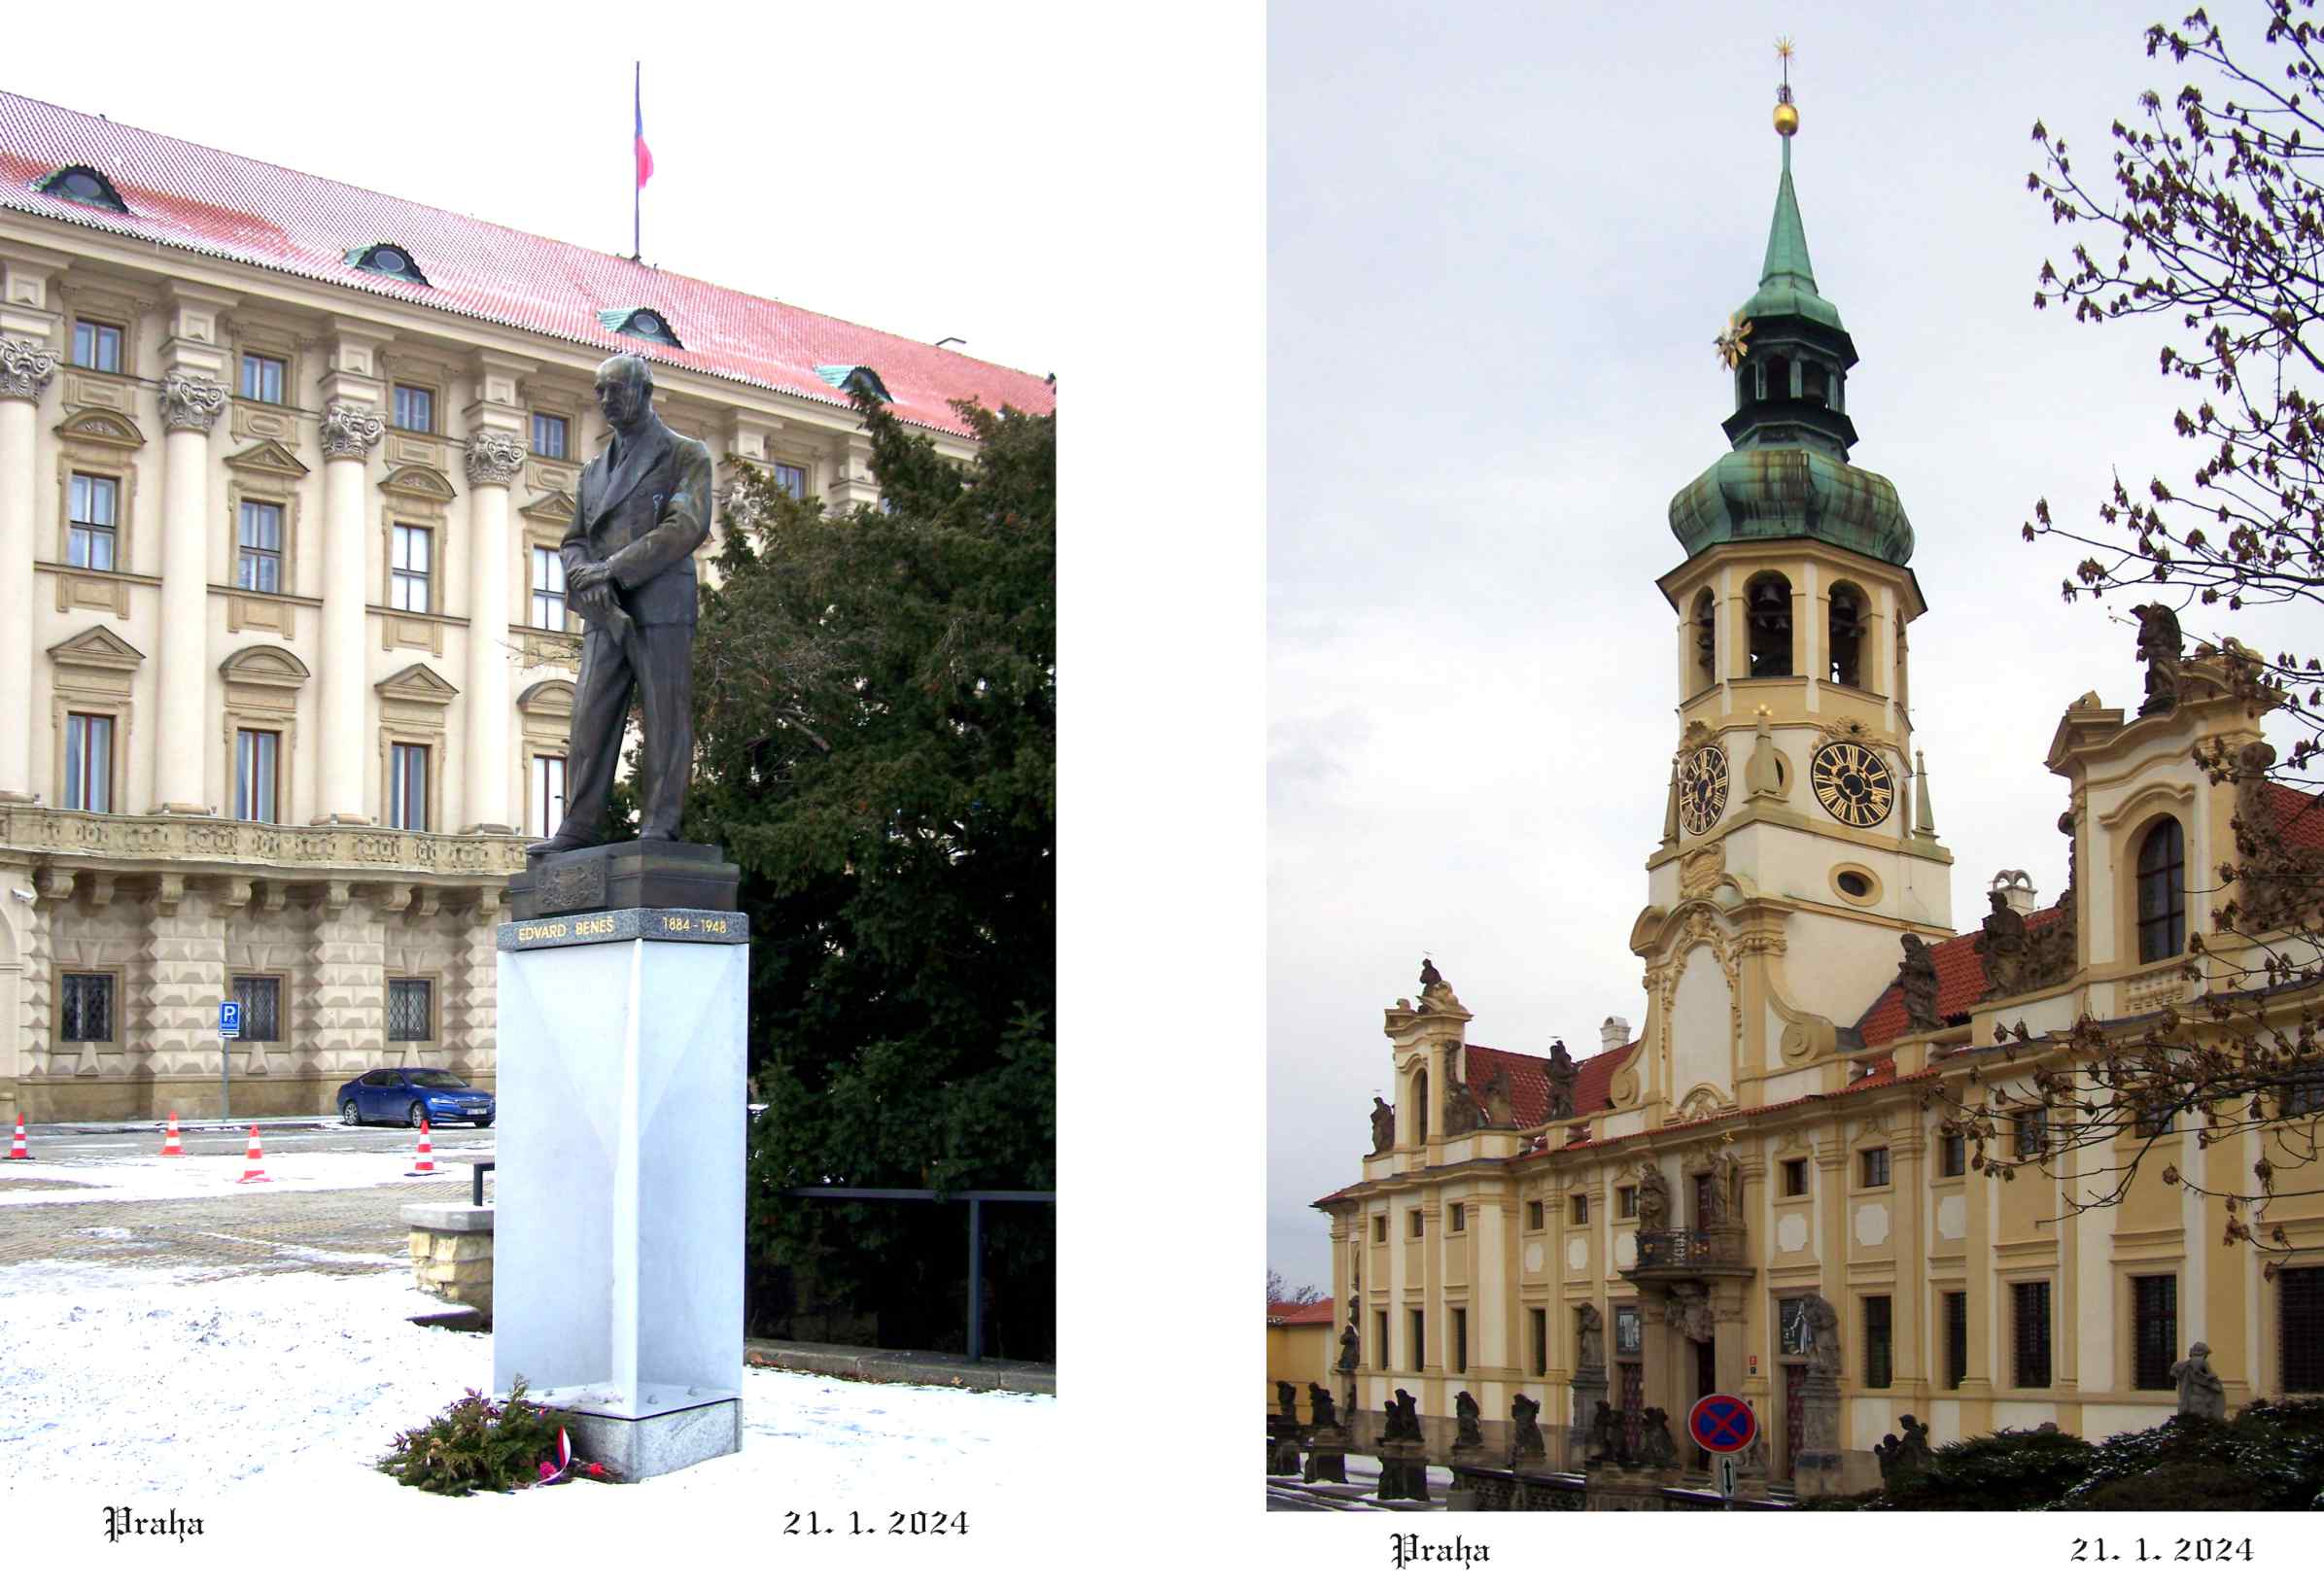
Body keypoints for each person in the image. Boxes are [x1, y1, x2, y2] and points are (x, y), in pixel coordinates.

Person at [529, 353, 714, 853]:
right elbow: (573, 540)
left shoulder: (684, 454)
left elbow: (686, 526)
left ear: (645, 391)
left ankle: (661, 824)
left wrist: (610, 568)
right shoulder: (592, 471)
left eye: (614, 389)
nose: (605, 400)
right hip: (603, 608)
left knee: (665, 715)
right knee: (589, 715)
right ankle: (579, 825)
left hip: (660, 602)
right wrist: (582, 575)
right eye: (600, 391)